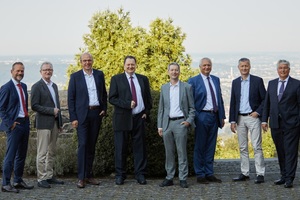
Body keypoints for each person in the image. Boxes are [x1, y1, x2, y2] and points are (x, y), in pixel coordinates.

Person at [109, 55, 152, 185]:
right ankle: (120, 175)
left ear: (135, 65)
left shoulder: (143, 79)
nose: (130, 67)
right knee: (121, 148)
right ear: (124, 66)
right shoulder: (116, 79)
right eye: (128, 65)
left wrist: (146, 112)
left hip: (139, 118)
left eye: (132, 64)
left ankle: (140, 175)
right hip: (122, 118)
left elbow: (148, 99)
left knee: (140, 148)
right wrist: (127, 104)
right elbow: (112, 98)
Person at [68, 52, 107, 188]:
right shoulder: (75, 77)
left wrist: (104, 108)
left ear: (92, 61)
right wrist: (73, 117)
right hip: (81, 116)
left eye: (89, 60)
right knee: (83, 145)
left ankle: (89, 175)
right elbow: (71, 99)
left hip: (96, 114)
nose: (87, 63)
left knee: (91, 146)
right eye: (84, 61)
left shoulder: (99, 74)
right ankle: (81, 177)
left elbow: (103, 93)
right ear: (81, 62)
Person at [262, 59, 300, 188]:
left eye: (285, 68)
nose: (283, 70)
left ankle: (290, 178)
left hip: (292, 124)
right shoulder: (272, 84)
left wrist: (297, 122)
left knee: (290, 152)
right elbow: (267, 103)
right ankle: (283, 176)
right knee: (281, 151)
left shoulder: (296, 84)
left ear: (289, 70)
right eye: (280, 68)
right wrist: (264, 120)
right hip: (275, 124)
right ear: (277, 70)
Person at [157, 62, 195, 188]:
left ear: (179, 72)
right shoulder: (164, 88)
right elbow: (161, 109)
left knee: (181, 152)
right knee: (169, 152)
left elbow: (192, 108)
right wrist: (160, 126)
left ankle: (183, 178)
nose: (174, 72)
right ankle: (169, 177)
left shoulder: (186, 87)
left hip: (180, 123)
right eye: (172, 70)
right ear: (168, 72)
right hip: (167, 124)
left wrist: (188, 121)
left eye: (176, 70)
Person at [188, 57, 225, 184]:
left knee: (211, 146)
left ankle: (209, 173)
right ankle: (200, 174)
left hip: (214, 116)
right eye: (204, 65)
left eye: (208, 65)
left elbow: (219, 98)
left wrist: (222, 116)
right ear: (200, 67)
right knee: (200, 146)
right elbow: (190, 101)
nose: (206, 67)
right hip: (201, 116)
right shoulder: (193, 81)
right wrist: (195, 117)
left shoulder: (216, 79)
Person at [229, 58, 266, 184]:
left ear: (250, 67)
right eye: (242, 66)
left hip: (253, 117)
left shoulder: (257, 81)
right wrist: (232, 120)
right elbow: (233, 102)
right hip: (239, 118)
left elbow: (265, 100)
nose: (244, 68)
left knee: (257, 146)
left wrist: (258, 112)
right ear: (238, 67)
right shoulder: (235, 82)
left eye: (246, 66)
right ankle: (244, 173)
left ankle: (260, 173)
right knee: (242, 147)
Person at [0, 62, 34, 193]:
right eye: (18, 71)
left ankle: (18, 180)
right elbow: (1, 108)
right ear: (12, 71)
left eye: (22, 71)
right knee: (10, 155)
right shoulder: (6, 87)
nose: (20, 73)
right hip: (14, 126)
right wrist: (10, 123)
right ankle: (6, 183)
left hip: (25, 123)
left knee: (21, 154)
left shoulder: (24, 86)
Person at [31, 62, 64, 188]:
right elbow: (34, 106)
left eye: (50, 70)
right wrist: (51, 111)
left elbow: (58, 106)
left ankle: (49, 175)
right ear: (41, 72)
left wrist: (60, 123)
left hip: (55, 123)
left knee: (52, 151)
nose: (48, 72)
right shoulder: (36, 86)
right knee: (42, 152)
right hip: (44, 124)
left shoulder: (54, 86)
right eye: (45, 70)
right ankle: (41, 178)